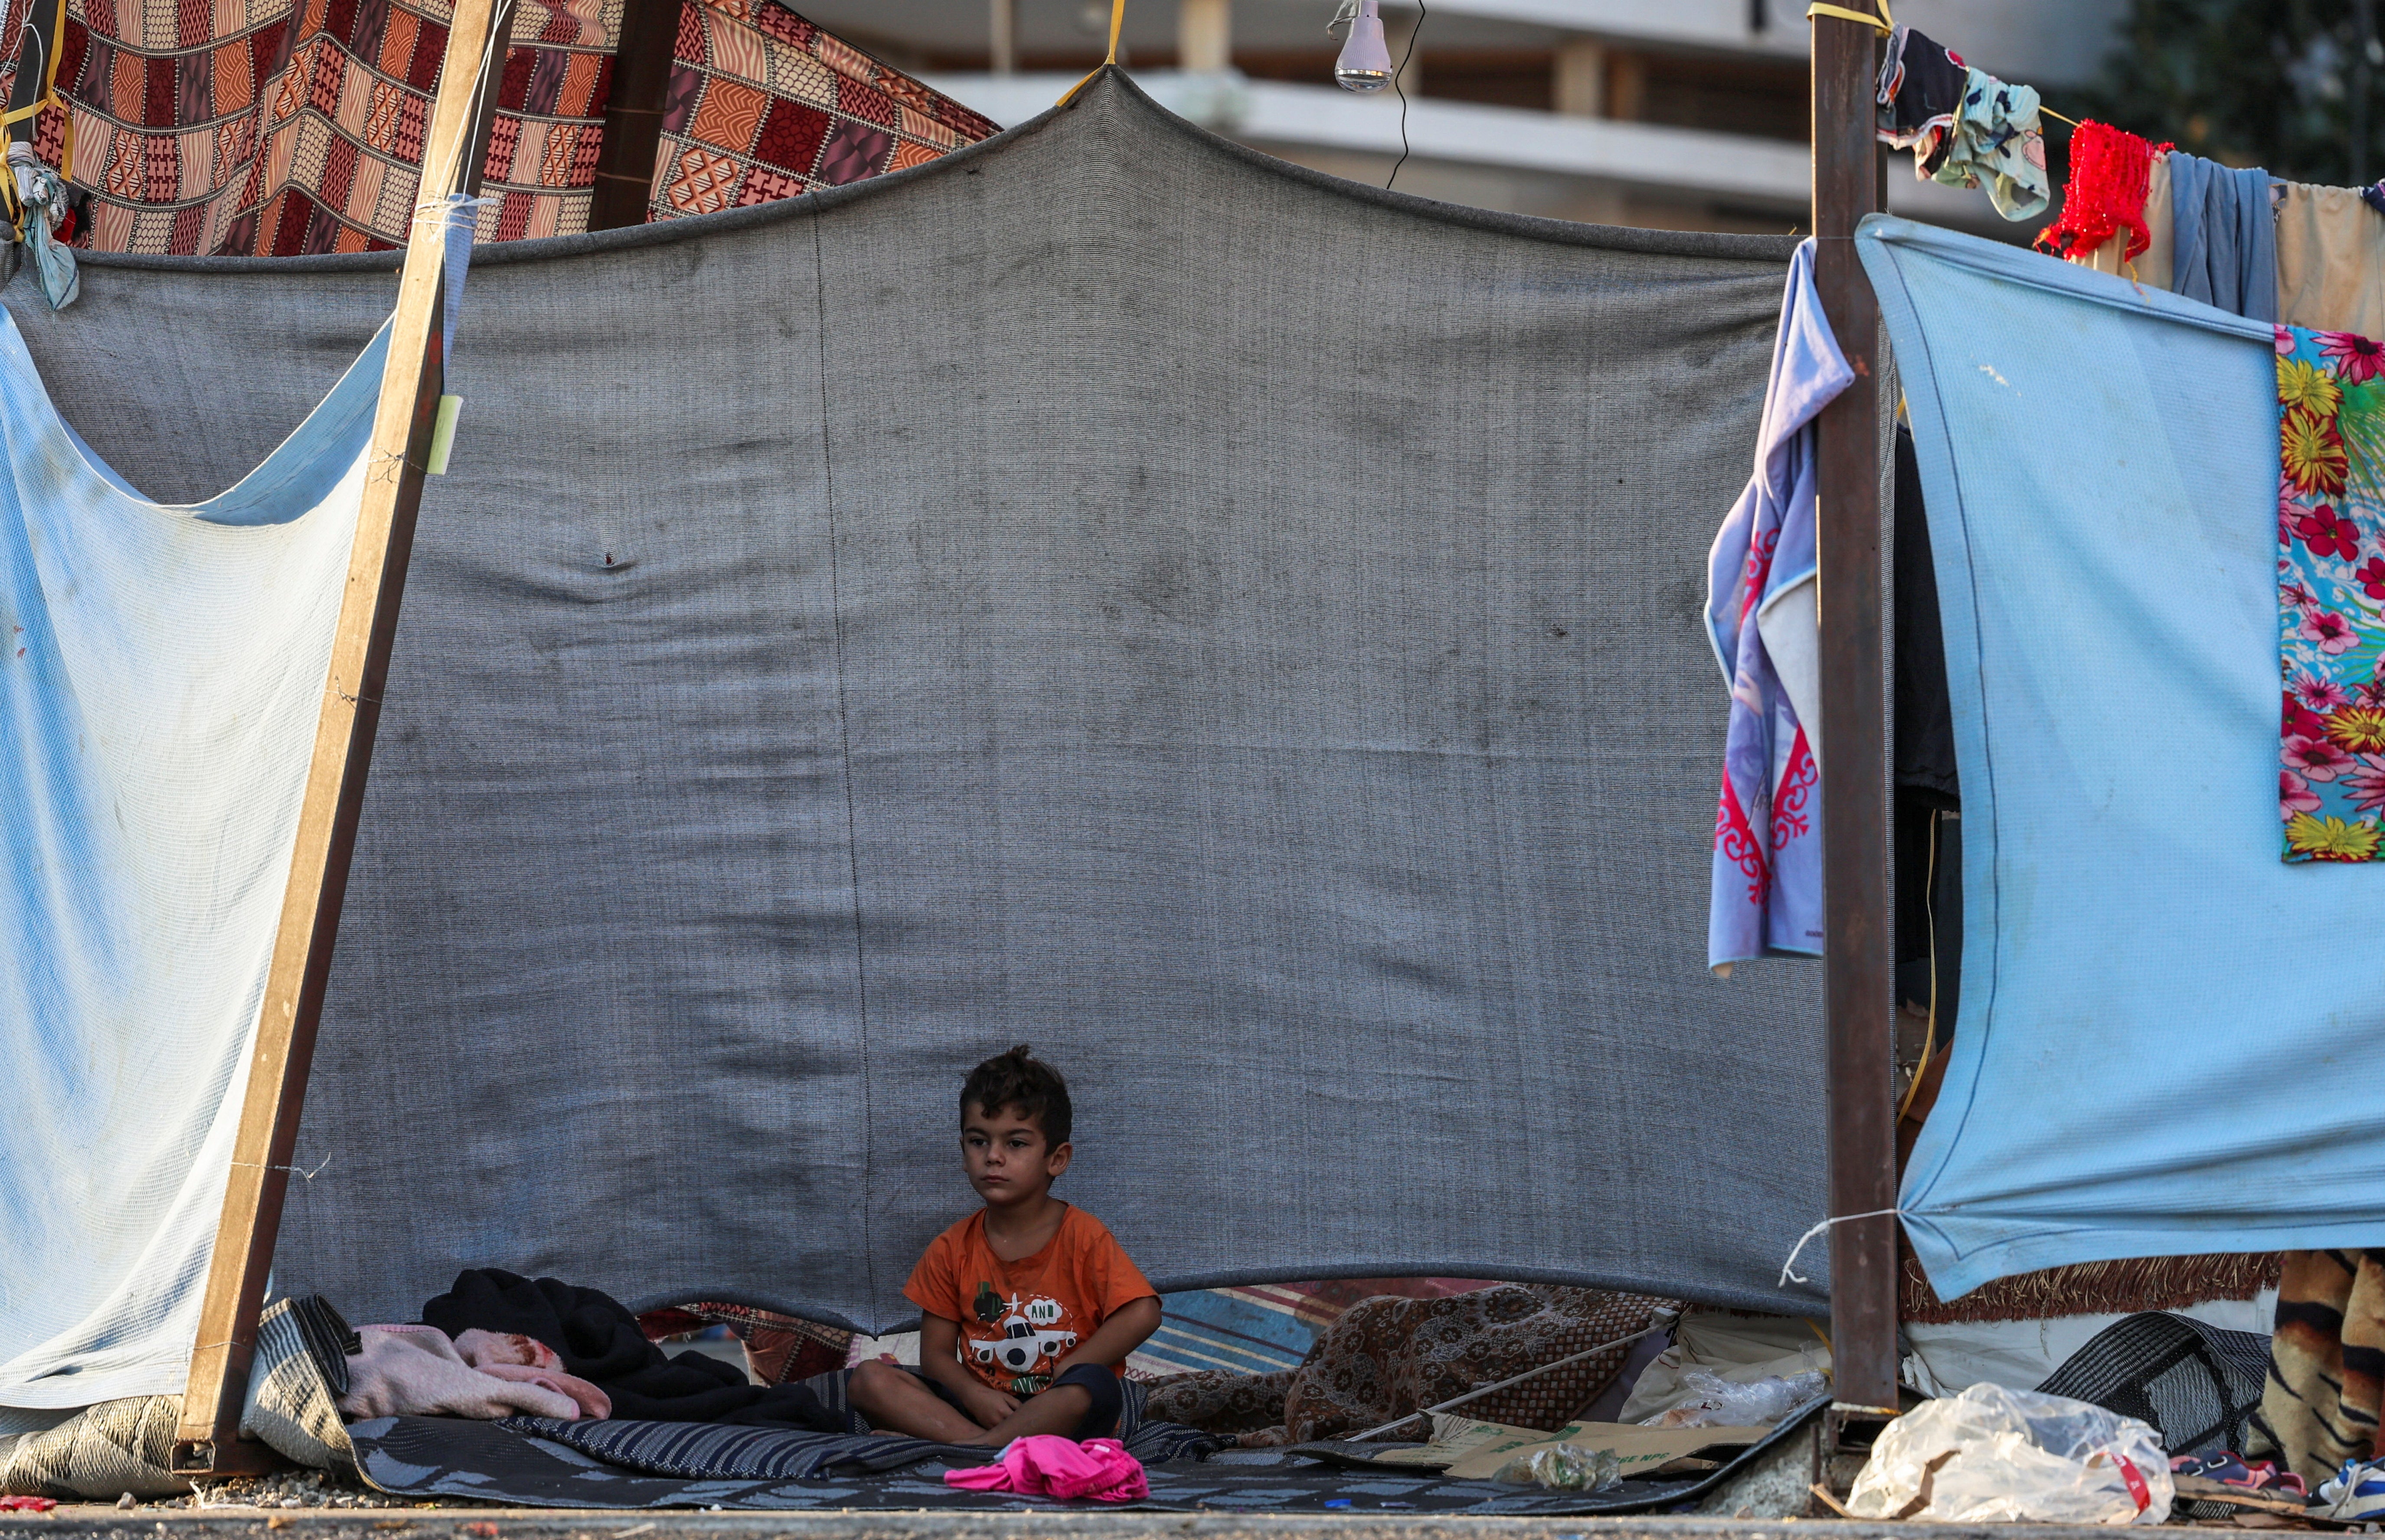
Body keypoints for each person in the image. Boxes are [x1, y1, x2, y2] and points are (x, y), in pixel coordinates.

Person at [847, 1045, 1161, 1444]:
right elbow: (937, 1357)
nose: (993, 1157)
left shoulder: (1084, 1237)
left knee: (1093, 1386)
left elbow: (1143, 1312)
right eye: (979, 1141)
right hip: (984, 1410)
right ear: (964, 1152)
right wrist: (974, 1394)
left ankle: (973, 1449)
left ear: (1057, 1158)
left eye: (1016, 1144)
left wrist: (1074, 1367)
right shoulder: (950, 1249)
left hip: (1062, 1412)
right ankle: (985, 1448)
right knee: (868, 1380)